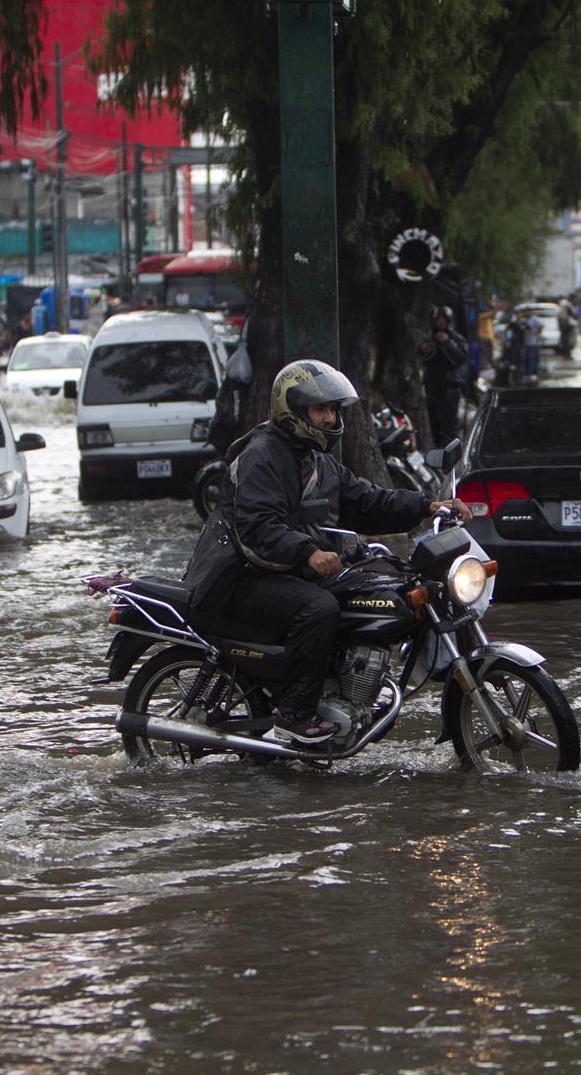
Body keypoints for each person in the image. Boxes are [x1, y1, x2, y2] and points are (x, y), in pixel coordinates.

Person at [183, 360, 470, 750]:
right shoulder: (262, 455)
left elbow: (367, 500)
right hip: (235, 578)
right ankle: (293, 717)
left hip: (276, 570)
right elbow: (257, 526)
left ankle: (340, 693)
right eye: (322, 410)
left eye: (334, 410)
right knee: (317, 608)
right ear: (295, 411)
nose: (330, 418)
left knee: (365, 592)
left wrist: (428, 506)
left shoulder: (314, 460)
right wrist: (308, 551)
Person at [420, 308, 468, 450]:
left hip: (450, 389)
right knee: (434, 427)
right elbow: (423, 359)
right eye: (438, 319)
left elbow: (460, 358)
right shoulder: (430, 339)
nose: (441, 322)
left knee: (449, 428)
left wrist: (447, 343)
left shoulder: (456, 339)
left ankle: (450, 459)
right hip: (433, 388)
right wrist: (426, 349)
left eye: (444, 319)